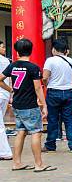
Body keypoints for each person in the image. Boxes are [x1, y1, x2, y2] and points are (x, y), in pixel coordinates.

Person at [0, 39, 55, 172]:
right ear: (31, 50)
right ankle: (38, 164)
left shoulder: (12, 65)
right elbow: (37, 88)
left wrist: (10, 90)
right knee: (36, 133)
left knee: (21, 132)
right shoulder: (33, 68)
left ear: (17, 51)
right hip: (30, 105)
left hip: (17, 104)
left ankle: (17, 163)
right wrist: (44, 104)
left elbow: (0, 79)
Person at [42, 38, 72, 153]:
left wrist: (47, 84)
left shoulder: (50, 61)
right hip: (68, 92)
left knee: (53, 119)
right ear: (65, 50)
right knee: (68, 119)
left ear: (54, 49)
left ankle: (50, 145)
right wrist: (69, 84)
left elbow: (44, 77)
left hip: (53, 92)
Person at [0, 40, 11, 160]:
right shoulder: (5, 60)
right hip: (4, 94)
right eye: (2, 47)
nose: (4, 49)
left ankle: (5, 152)